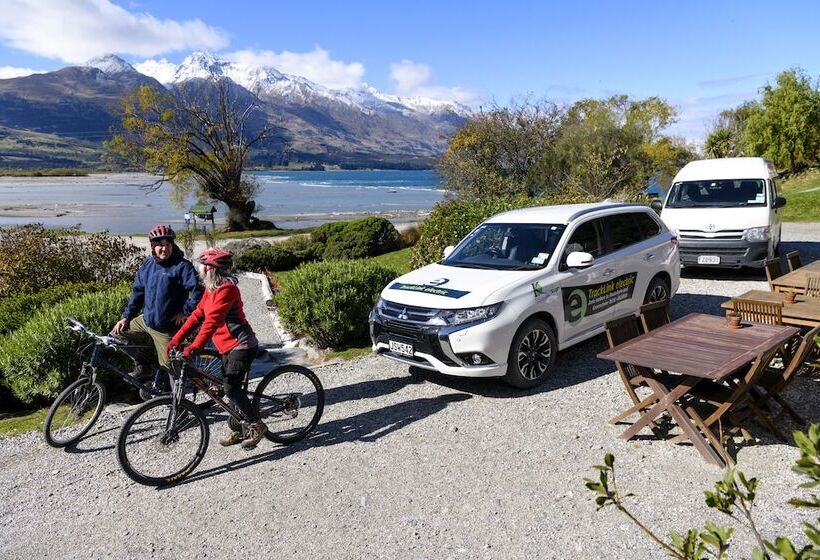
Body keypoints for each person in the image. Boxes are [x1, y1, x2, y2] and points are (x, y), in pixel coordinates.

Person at [166, 248, 267, 450]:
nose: (200, 269)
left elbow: (211, 322)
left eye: (202, 266)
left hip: (242, 345)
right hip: (225, 347)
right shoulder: (211, 289)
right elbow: (197, 316)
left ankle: (257, 425)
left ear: (210, 269)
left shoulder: (227, 290)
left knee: (230, 388)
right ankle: (239, 427)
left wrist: (194, 347)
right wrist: (176, 339)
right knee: (227, 387)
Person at [113, 225, 203, 381]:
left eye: (168, 244)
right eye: (160, 245)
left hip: (165, 328)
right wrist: (126, 317)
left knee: (172, 370)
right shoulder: (148, 265)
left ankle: (182, 393)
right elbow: (138, 293)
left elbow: (198, 290)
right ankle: (144, 366)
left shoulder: (182, 266)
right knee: (116, 335)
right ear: (153, 247)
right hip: (145, 320)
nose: (164, 249)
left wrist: (185, 312)